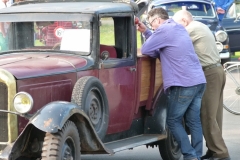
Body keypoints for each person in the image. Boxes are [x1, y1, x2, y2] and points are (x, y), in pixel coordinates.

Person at [137, 7, 206, 160]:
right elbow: (159, 49)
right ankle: (197, 155)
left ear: (157, 20)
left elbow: (147, 49)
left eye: (151, 24)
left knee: (173, 121)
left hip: (183, 84)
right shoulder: (178, 28)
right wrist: (146, 31)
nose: (152, 27)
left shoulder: (164, 30)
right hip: (198, 81)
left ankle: (189, 155)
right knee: (193, 121)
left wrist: (147, 33)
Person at [173, 10, 231, 160]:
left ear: (184, 21)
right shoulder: (200, 26)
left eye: (176, 23)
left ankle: (221, 153)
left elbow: (174, 42)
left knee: (207, 115)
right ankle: (214, 150)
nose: (175, 26)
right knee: (215, 115)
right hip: (215, 71)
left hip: (209, 74)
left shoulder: (191, 29)